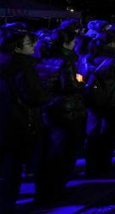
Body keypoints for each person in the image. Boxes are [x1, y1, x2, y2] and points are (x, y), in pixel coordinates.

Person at [33, 28, 86, 203]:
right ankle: (55, 190)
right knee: (62, 152)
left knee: (46, 151)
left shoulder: (40, 57)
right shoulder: (66, 61)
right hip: (65, 109)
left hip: (46, 108)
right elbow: (68, 86)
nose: (75, 45)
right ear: (66, 43)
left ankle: (42, 189)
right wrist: (81, 81)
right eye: (73, 42)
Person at [0, 29, 48, 213]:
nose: (34, 46)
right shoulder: (23, 67)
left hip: (6, 121)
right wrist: (47, 89)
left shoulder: (6, 64)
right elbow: (36, 96)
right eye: (29, 43)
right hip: (18, 122)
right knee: (12, 170)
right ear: (17, 47)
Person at [82, 30, 115, 175]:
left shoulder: (87, 58)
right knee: (109, 135)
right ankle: (104, 165)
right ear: (114, 43)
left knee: (92, 133)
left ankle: (90, 166)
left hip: (92, 99)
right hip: (113, 100)